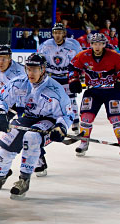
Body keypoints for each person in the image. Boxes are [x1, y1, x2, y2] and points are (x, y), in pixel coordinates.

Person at [0, 53, 75, 199]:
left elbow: (67, 114)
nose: (30, 73)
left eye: (34, 69)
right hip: (27, 118)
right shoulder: (19, 82)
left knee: (31, 138)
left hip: (48, 121)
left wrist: (61, 127)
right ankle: (0, 177)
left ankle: (24, 179)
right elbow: (2, 99)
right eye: (28, 69)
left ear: (43, 69)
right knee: (6, 146)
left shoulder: (55, 90)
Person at [68, 33, 120, 159]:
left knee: (116, 119)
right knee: (86, 118)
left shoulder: (114, 56)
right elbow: (72, 68)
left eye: (100, 44)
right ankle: (84, 142)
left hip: (111, 91)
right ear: (91, 44)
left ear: (104, 44)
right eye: (95, 44)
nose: (97, 46)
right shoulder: (83, 55)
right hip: (93, 92)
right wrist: (74, 80)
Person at [37, 22, 83, 175]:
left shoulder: (73, 45)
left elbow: (80, 60)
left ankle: (74, 121)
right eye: (55, 32)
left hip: (66, 77)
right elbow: (39, 60)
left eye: (60, 32)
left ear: (64, 33)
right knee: (48, 101)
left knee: (70, 99)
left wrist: (79, 76)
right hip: (51, 78)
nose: (57, 35)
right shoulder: (45, 46)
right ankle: (51, 120)